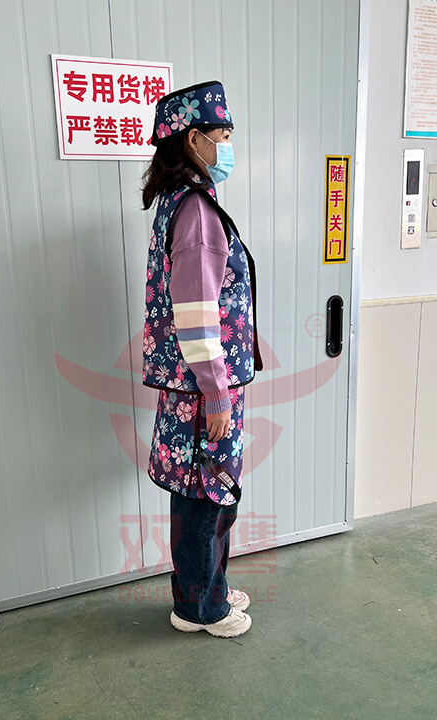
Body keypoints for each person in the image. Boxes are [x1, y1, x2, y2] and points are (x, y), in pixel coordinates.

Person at [141, 80, 263, 638]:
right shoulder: (195, 210)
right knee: (206, 498)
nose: (229, 145)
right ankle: (199, 608)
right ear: (194, 140)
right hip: (203, 388)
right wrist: (216, 392)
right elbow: (195, 314)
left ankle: (205, 588)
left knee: (202, 494)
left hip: (194, 383)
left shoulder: (180, 201)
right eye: (224, 135)